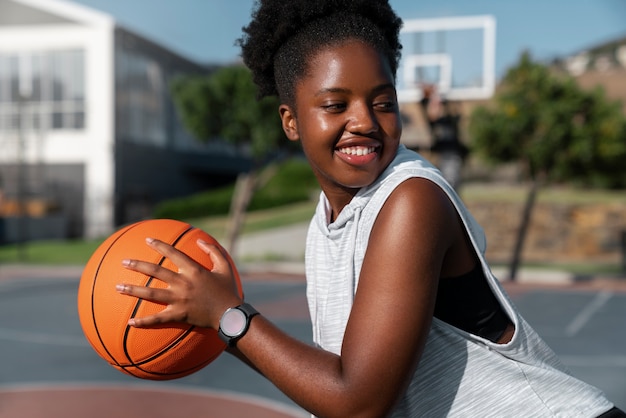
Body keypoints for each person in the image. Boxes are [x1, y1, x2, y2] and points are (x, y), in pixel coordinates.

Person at [116, 1, 624, 416]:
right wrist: (218, 321)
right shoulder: (328, 219)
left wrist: (230, 318)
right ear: (291, 121)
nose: (365, 121)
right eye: (336, 105)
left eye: (383, 102)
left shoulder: (411, 200)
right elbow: (339, 381)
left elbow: (358, 402)